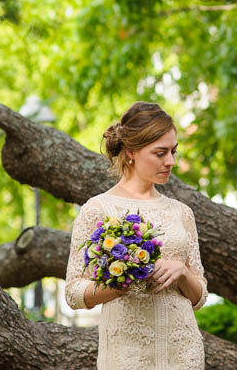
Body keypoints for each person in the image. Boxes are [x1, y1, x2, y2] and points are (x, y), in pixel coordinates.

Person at [65, 102, 207, 369]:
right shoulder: (98, 209)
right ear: (131, 151)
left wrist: (183, 273)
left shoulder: (182, 213)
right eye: (160, 153)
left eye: (173, 152)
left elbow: (200, 298)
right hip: (127, 354)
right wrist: (119, 284)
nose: (171, 161)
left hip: (183, 352)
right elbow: (73, 293)